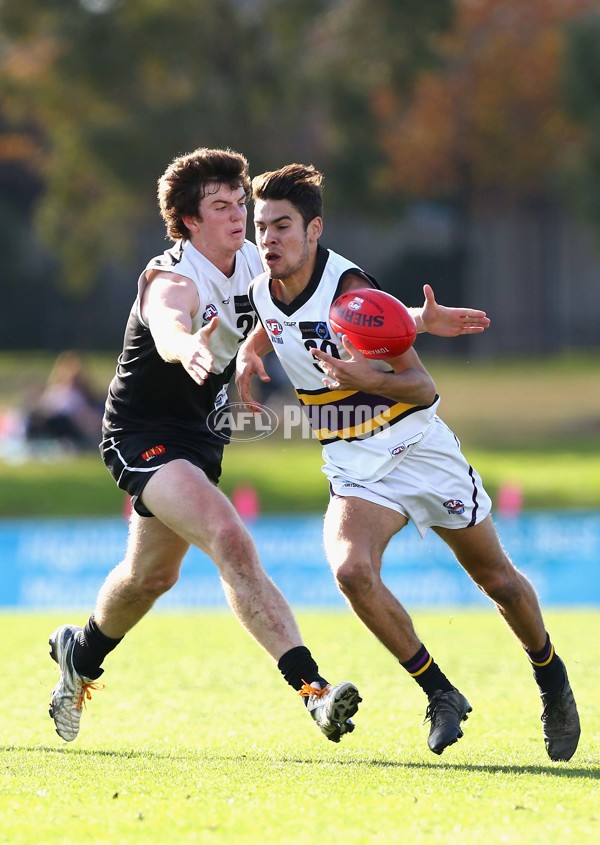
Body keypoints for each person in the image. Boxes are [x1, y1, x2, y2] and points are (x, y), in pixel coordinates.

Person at [235, 163, 580, 761]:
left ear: (314, 230)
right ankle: (440, 693)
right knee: (351, 573)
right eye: (260, 226)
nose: (268, 239)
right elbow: (276, 320)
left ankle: (552, 680)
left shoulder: (351, 292)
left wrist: (368, 374)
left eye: (282, 226)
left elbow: (421, 388)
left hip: (418, 447)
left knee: (497, 581)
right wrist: (248, 351)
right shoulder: (264, 287)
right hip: (352, 464)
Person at [48, 147, 362, 745]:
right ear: (189, 221)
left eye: (240, 202)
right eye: (221, 206)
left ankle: (79, 656)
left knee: (149, 577)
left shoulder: (255, 260)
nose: (239, 215)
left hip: (201, 439)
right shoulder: (171, 274)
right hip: (142, 434)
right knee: (229, 538)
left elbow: (319, 299)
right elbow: (170, 321)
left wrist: (408, 322)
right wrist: (186, 346)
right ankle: (313, 692)